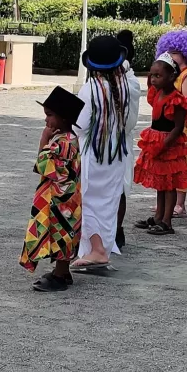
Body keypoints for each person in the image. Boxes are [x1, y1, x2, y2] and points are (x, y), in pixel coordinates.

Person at [72, 35, 140, 271]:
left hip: (93, 153)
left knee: (86, 200)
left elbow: (79, 125)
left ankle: (97, 249)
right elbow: (129, 123)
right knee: (108, 202)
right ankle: (101, 247)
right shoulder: (128, 86)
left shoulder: (90, 89)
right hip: (117, 153)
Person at [20, 86, 85, 292]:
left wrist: (43, 140)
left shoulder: (62, 143)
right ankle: (62, 272)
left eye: (50, 116)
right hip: (65, 198)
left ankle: (60, 274)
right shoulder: (67, 139)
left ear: (64, 118)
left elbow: (42, 165)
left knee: (60, 234)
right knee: (62, 234)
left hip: (60, 200)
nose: (46, 121)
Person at [133, 54, 187, 236]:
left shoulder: (177, 100)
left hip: (169, 146)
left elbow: (177, 128)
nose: (153, 79)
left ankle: (167, 221)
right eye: (151, 75)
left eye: (158, 76)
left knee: (170, 184)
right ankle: (158, 216)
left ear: (171, 77)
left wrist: (163, 145)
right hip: (157, 140)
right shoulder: (157, 94)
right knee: (161, 183)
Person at [155, 29, 187, 217]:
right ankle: (166, 202)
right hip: (168, 125)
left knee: (180, 165)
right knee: (168, 165)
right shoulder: (175, 74)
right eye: (169, 52)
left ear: (185, 53)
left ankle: (180, 204)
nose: (171, 56)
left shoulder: (186, 74)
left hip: (179, 127)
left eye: (175, 52)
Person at [116, 29, 143, 249]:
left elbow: (128, 120)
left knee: (120, 186)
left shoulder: (129, 82)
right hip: (111, 140)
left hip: (119, 140)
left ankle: (116, 229)